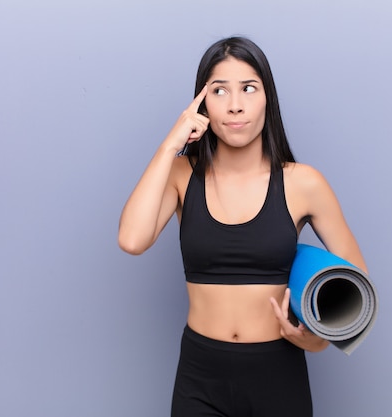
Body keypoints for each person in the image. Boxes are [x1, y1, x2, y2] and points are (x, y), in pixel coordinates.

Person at [118, 36, 367, 417]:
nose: (235, 105)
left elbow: (356, 283)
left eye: (249, 88)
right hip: (201, 375)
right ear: (200, 104)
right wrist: (170, 146)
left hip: (279, 374)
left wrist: (314, 341)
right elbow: (132, 240)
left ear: (268, 97)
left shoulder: (303, 183)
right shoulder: (182, 176)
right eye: (219, 91)